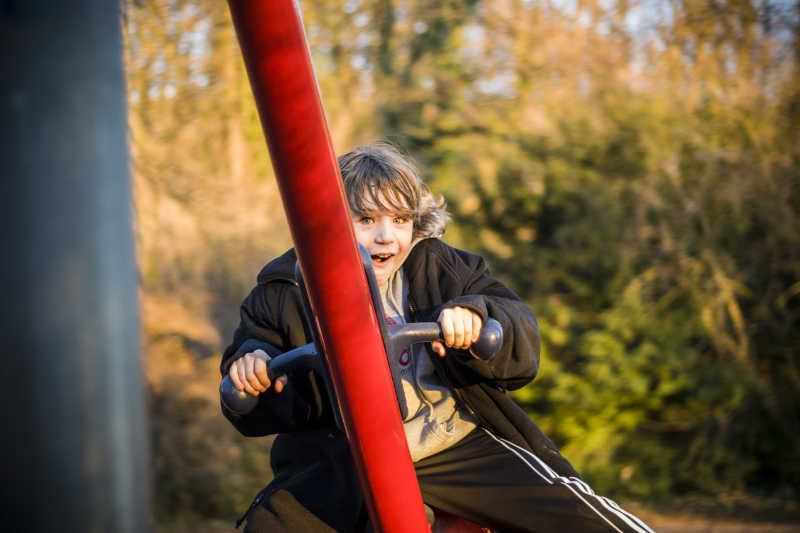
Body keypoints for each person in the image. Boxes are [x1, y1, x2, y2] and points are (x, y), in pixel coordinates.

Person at [220, 143, 655, 533]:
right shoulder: (284, 292)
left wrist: (477, 317)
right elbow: (254, 379)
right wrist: (253, 367)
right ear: (330, 223)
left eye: (399, 220)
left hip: (449, 439)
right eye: (366, 219)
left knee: (576, 514)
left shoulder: (439, 268)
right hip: (344, 457)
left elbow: (517, 329)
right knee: (274, 524)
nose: (386, 236)